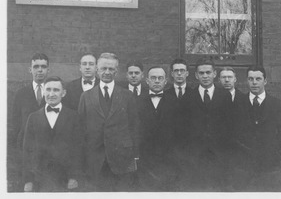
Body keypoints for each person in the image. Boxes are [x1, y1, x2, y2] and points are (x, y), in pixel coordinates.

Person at [78, 53, 139, 191]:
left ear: (116, 71)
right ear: (97, 70)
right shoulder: (86, 96)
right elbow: (81, 129)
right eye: (103, 68)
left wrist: (134, 157)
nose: (107, 72)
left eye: (111, 69)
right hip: (95, 159)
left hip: (121, 159)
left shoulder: (127, 96)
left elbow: (134, 127)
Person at [232, 66, 281, 191]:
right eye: (251, 79)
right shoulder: (237, 104)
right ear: (246, 81)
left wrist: (278, 159)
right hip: (243, 167)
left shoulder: (277, 105)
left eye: (258, 79)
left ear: (265, 81)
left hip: (270, 166)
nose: (254, 82)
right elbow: (232, 134)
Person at [22, 76, 84, 192]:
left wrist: (74, 176)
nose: (51, 94)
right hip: (39, 178)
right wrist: (28, 180)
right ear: (44, 92)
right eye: (48, 89)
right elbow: (27, 150)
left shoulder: (74, 117)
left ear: (63, 93)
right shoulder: (33, 117)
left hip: (65, 177)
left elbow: (78, 149)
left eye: (56, 90)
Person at [189, 58, 232, 191]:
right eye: (201, 73)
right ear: (196, 75)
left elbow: (230, 125)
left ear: (214, 73)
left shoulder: (225, 96)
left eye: (208, 72)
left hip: (220, 155)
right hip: (195, 157)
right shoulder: (188, 97)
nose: (205, 76)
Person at [10, 53, 49, 191]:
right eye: (36, 66)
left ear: (48, 70)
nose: (40, 70)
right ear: (30, 69)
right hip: (27, 152)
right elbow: (15, 125)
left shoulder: (54, 91)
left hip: (49, 152)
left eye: (43, 67)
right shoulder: (20, 94)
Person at [138, 66, 179, 191]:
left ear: (166, 81)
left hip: (169, 160)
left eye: (160, 78)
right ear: (147, 80)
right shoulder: (136, 101)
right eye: (153, 78)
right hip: (144, 160)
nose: (156, 81)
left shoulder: (176, 103)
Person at [165, 58, 193, 146]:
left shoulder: (194, 94)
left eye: (182, 70)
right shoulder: (165, 95)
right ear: (172, 74)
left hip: (190, 141)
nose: (179, 73)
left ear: (187, 73)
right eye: (176, 71)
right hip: (170, 142)